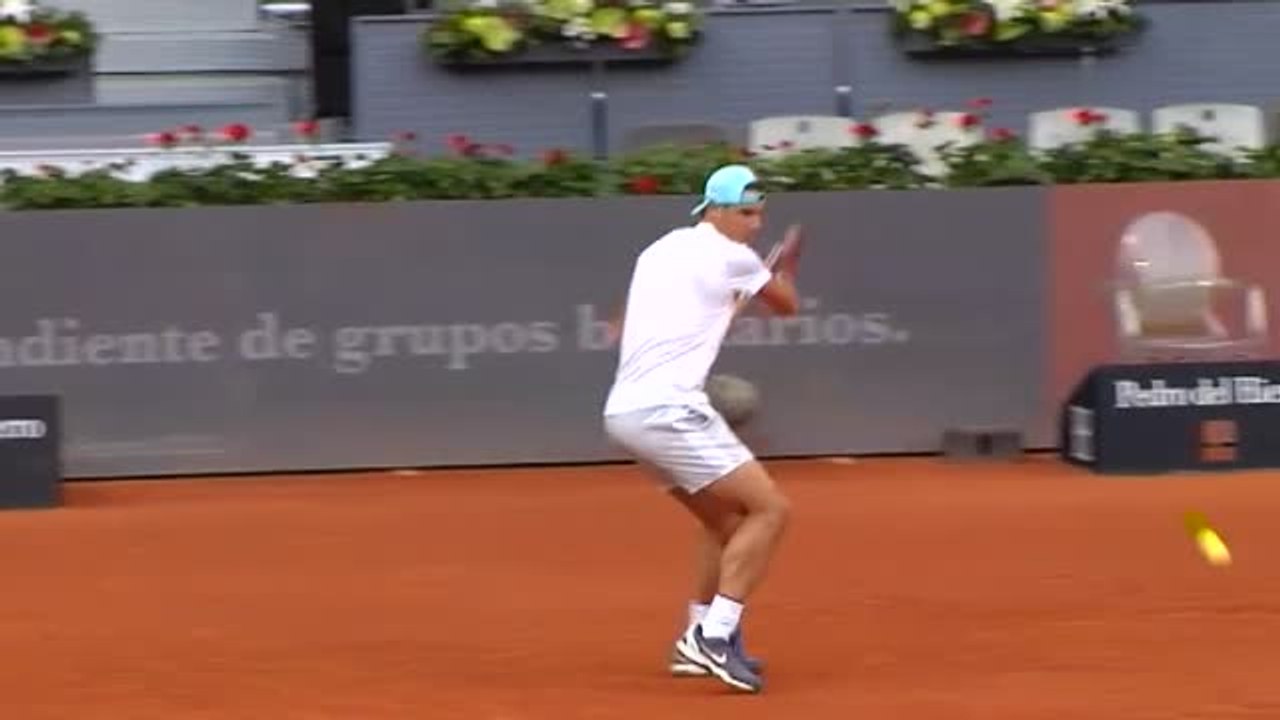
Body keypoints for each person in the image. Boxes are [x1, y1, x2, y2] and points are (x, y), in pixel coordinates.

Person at [601, 164, 803, 694]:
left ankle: (697, 636)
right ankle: (712, 637)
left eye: (759, 215)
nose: (755, 224)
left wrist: (732, 301)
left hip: (624, 415)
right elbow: (787, 306)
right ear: (714, 209)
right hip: (670, 411)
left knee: (724, 521)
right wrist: (785, 270)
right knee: (770, 510)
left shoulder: (660, 249)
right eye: (746, 213)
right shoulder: (734, 256)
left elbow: (681, 313)